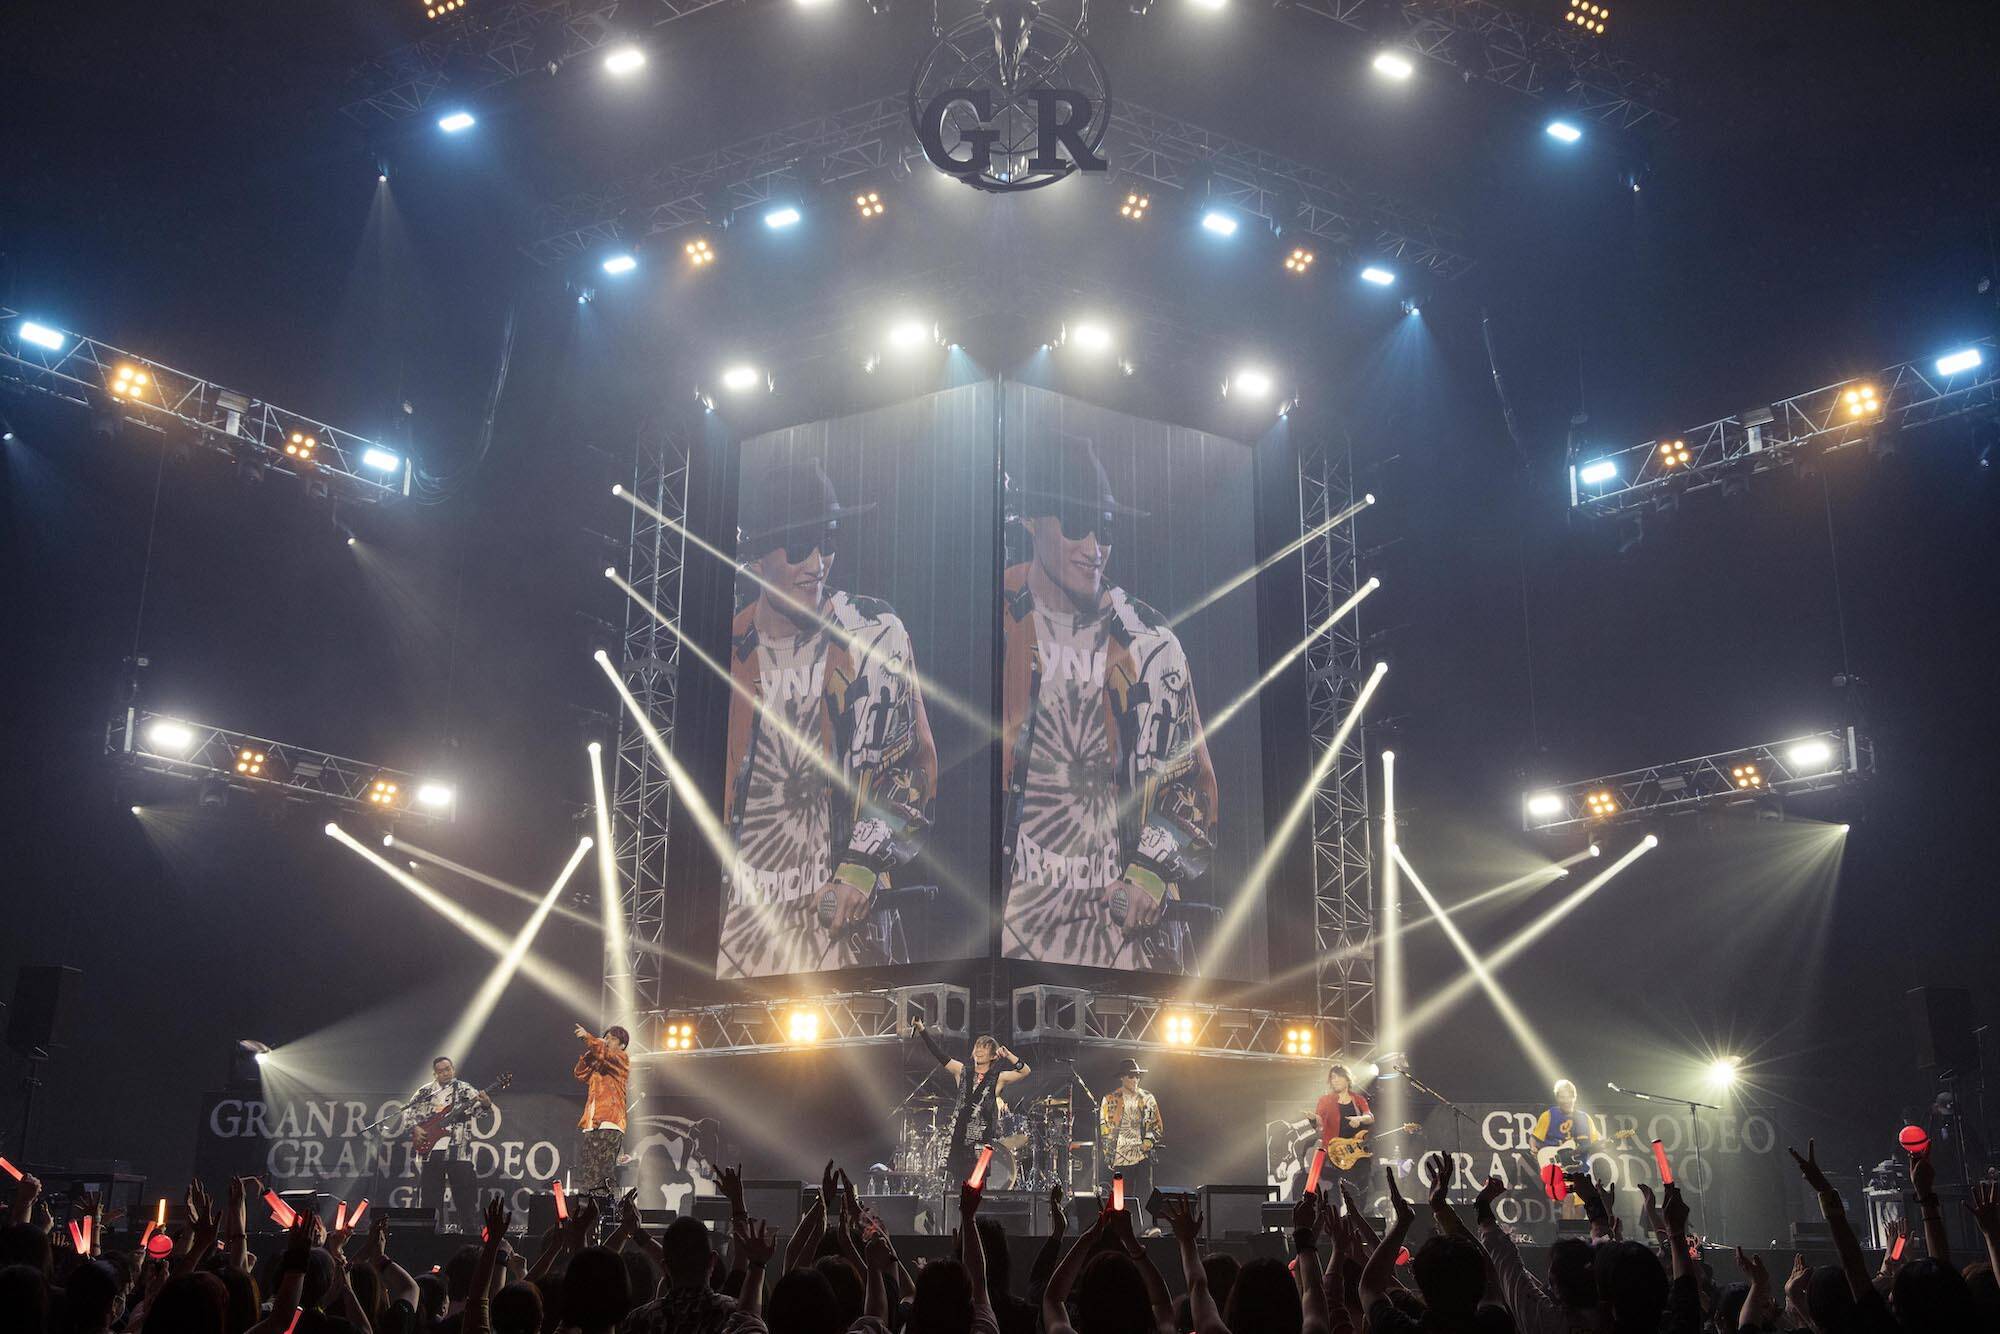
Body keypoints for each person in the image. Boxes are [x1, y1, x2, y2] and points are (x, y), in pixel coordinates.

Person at [1000, 434, 1219, 974]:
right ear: (1032, 521)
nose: (1094, 547)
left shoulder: (1150, 643)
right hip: (1004, 941)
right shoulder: (993, 617)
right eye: (1078, 523)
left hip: (1119, 951)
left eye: (1107, 528)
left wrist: (1150, 871)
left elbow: (1195, 786)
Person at [719, 457, 939, 980]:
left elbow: (914, 766)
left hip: (844, 945)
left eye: (828, 540)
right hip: (738, 943)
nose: (817, 562)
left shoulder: (874, 633)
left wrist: (863, 865)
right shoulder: (726, 648)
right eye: (800, 546)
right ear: (758, 559)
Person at [912, 1020, 1033, 1184]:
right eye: (977, 1046)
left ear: (993, 1056)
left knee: (977, 1191)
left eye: (985, 1048)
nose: (979, 1050)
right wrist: (922, 1030)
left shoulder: (997, 1078)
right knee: (957, 1190)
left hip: (980, 1146)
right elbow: (939, 1054)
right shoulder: (961, 1071)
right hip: (958, 1142)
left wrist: (1008, 1055)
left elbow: (1025, 1071)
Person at [399, 1056, 495, 1235]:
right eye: (441, 1071)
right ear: (435, 1074)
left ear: (453, 1069)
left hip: (458, 1152)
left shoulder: (465, 1089)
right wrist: (415, 1129)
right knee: (430, 1198)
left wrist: (486, 1104)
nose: (445, 1073)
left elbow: (480, 1113)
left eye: (448, 1069)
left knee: (465, 1197)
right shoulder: (425, 1092)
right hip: (431, 1152)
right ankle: (431, 1236)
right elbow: (407, 1112)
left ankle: (469, 1235)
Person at [575, 1023, 633, 1200]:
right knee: (588, 1173)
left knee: (603, 1173)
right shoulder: (600, 1063)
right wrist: (590, 1052)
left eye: (612, 1039)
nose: (607, 1041)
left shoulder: (621, 1058)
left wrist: (589, 1038)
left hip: (610, 1121)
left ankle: (608, 1210)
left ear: (622, 1045)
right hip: (592, 1123)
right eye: (606, 1037)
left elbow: (606, 1054)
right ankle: (588, 1209)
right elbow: (580, 1073)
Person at [1097, 1059, 1164, 1209]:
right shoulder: (1109, 1099)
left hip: (1142, 1155)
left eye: (1137, 1076)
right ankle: (1122, 1222)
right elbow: (1104, 1129)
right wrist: (1109, 1155)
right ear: (1122, 1077)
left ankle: (1146, 1223)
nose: (1135, 1079)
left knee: (1145, 1196)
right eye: (1131, 1076)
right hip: (1120, 1156)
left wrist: (1148, 1141)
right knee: (1121, 1199)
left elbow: (1157, 1125)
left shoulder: (1147, 1098)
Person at [1310, 1064, 1375, 1198]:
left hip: (1356, 1152)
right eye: (1332, 1078)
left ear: (1347, 1078)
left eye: (1338, 1077)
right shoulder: (1325, 1100)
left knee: (1360, 1191)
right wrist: (1313, 1119)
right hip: (1335, 1152)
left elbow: (1370, 1117)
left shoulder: (1358, 1099)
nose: (1335, 1080)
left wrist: (1359, 1118)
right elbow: (1319, 1123)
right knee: (1338, 1193)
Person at [1530, 1080, 1596, 1203]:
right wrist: (1533, 1148)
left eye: (1568, 1097)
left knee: (1581, 1207)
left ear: (1574, 1097)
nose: (1566, 1101)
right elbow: (1534, 1138)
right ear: (1557, 1098)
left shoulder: (1585, 1118)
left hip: (1581, 1169)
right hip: (1559, 1169)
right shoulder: (1548, 1115)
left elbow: (1595, 1143)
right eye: (1562, 1097)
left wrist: (1605, 1145)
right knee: (1568, 1198)